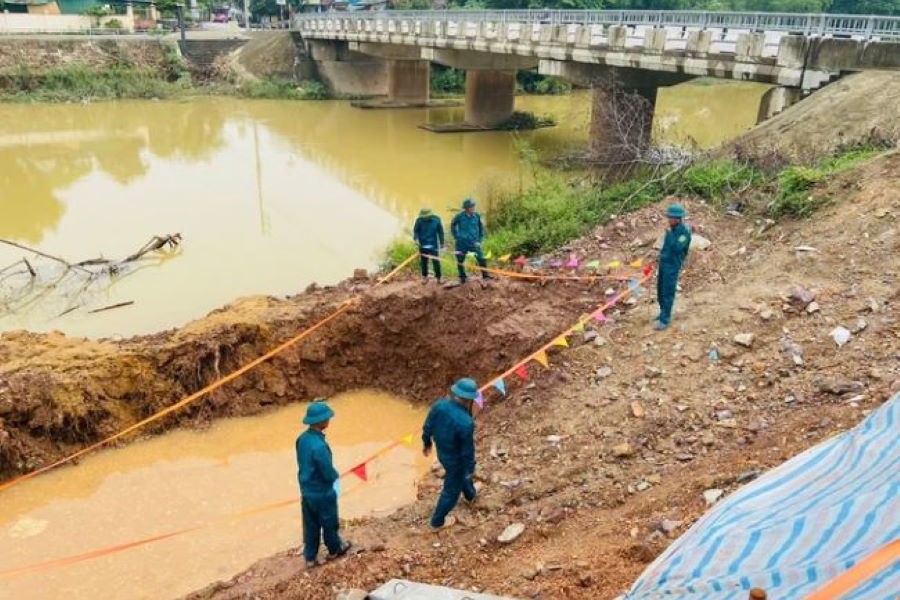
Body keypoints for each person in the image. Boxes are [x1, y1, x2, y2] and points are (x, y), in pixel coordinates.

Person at [295, 400, 351, 568]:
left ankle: (310, 557)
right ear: (321, 421)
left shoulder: (302, 439)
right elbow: (327, 472)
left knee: (310, 525)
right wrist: (335, 476)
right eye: (327, 418)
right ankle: (335, 549)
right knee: (329, 523)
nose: (329, 420)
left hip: (306, 491)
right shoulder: (319, 446)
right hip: (322, 493)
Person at [422, 377, 479, 531]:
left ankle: (470, 495)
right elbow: (467, 451)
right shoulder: (466, 422)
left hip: (442, 453)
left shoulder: (439, 405)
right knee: (451, 491)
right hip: (456, 460)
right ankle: (437, 522)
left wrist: (426, 443)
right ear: (469, 400)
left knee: (461, 476)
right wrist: (471, 468)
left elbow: (427, 426)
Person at [655, 203, 692, 331]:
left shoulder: (684, 233)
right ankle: (662, 312)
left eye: (671, 218)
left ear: (678, 219)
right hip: (664, 263)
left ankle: (665, 319)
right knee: (660, 290)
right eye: (669, 217)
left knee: (668, 292)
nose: (669, 220)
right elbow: (666, 248)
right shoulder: (671, 230)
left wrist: (670, 235)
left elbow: (676, 248)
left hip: (672, 265)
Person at [451, 199, 492, 284]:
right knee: (460, 260)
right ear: (466, 208)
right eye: (471, 207)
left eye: (473, 206)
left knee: (481, 258)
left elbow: (481, 228)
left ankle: (485, 275)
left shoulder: (477, 216)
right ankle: (462, 277)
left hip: (474, 243)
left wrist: (479, 240)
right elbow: (453, 225)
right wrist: (456, 236)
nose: (473, 208)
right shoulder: (459, 216)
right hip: (461, 243)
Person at [413, 208, 445, 283]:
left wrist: (442, 243)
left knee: (436, 261)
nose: (425, 218)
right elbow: (415, 231)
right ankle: (425, 277)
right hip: (423, 244)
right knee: (424, 261)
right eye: (424, 217)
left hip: (433, 244)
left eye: (427, 216)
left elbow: (440, 232)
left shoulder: (437, 219)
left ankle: (439, 277)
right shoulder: (419, 220)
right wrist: (416, 239)